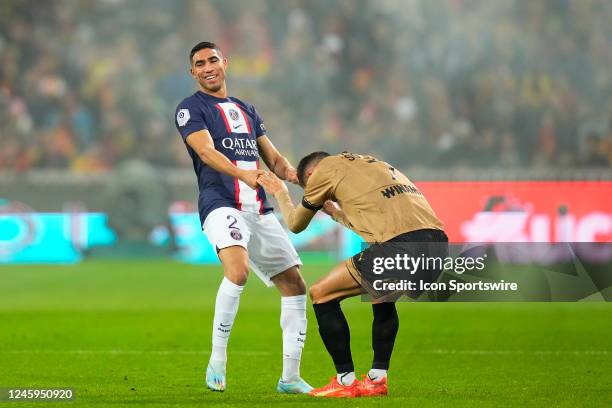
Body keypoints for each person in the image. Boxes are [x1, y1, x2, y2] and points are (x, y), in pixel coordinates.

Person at [174, 42, 312, 394]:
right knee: (238, 271)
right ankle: (217, 360)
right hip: (221, 202)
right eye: (199, 63)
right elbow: (206, 151)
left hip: (260, 209)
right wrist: (244, 174)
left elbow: (276, 161)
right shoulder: (190, 108)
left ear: (225, 64)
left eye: (213, 60)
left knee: (295, 285)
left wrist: (304, 177)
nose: (207, 67)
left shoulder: (247, 110)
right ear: (193, 72)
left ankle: (290, 377)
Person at [257, 151, 448, 398]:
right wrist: (334, 212)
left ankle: (344, 381)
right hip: (437, 246)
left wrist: (280, 191)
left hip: (401, 246)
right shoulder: (370, 163)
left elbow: (295, 224)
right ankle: (377, 379)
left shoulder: (322, 172)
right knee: (382, 295)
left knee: (321, 293)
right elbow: (369, 226)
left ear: (312, 175)